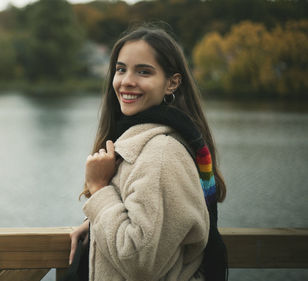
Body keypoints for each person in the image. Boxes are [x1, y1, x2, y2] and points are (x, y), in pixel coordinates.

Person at [68, 26, 228, 281]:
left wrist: (99, 190)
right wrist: (96, 225)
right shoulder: (143, 141)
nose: (126, 80)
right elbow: (154, 228)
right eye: (121, 69)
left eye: (143, 71)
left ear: (172, 83)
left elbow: (140, 262)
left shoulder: (162, 153)